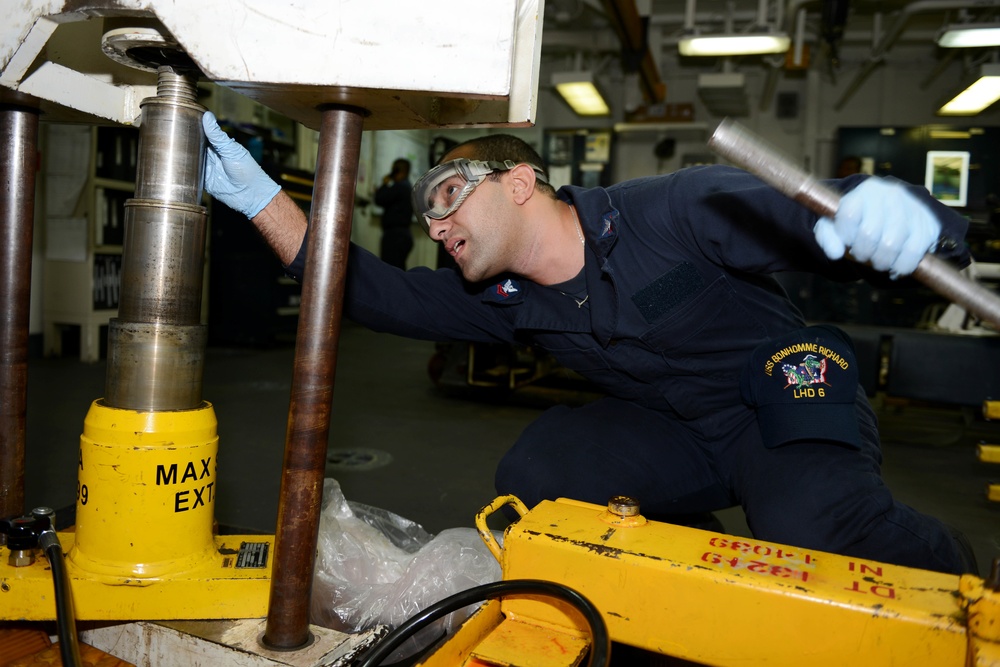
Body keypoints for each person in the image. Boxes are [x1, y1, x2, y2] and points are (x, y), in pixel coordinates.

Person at [201, 112, 975, 575]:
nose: (435, 227)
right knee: (538, 476)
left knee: (809, 533)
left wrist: (900, 213)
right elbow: (370, 290)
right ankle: (677, 583)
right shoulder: (506, 302)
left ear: (519, 181)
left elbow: (816, 218)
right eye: (428, 215)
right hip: (683, 432)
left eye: (446, 195)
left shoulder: (670, 211)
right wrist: (260, 200)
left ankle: (959, 575)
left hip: (783, 393)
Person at [375, 158, 415, 270]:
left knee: (389, 271)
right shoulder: (407, 186)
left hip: (395, 237)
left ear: (396, 170)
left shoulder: (399, 187)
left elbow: (379, 199)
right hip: (402, 235)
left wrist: (385, 184)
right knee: (397, 270)